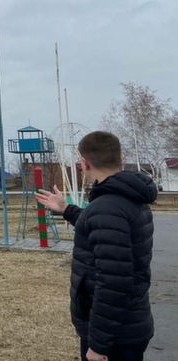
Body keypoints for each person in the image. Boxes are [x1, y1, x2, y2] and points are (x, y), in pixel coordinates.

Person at [36, 131, 157, 361]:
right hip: (129, 325)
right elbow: (100, 226)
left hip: (115, 338)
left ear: (84, 163)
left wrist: (99, 345)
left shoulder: (107, 207)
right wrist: (66, 209)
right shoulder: (127, 198)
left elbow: (113, 283)